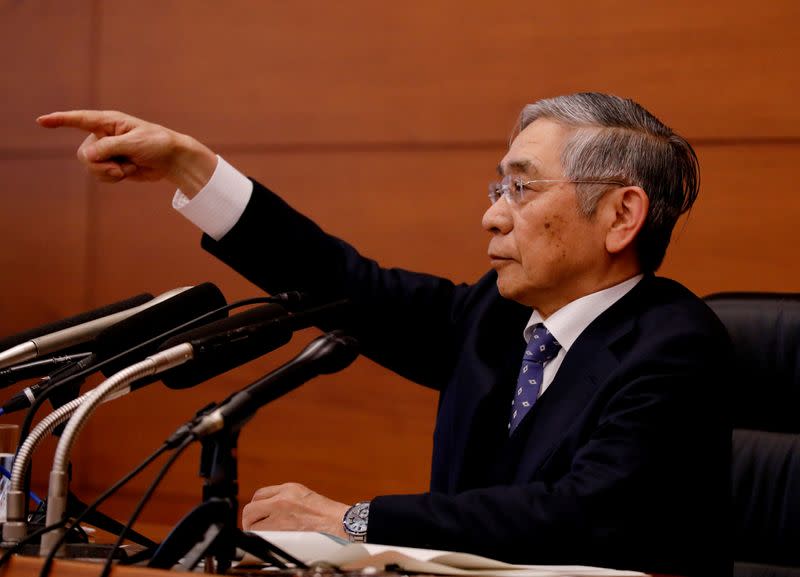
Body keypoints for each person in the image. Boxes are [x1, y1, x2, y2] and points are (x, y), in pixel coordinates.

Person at [38, 92, 732, 576]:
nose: (492, 218)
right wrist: (192, 167)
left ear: (621, 214)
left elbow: (581, 516)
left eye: (520, 189)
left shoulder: (676, 344)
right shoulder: (496, 315)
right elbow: (345, 287)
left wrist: (355, 520)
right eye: (498, 190)